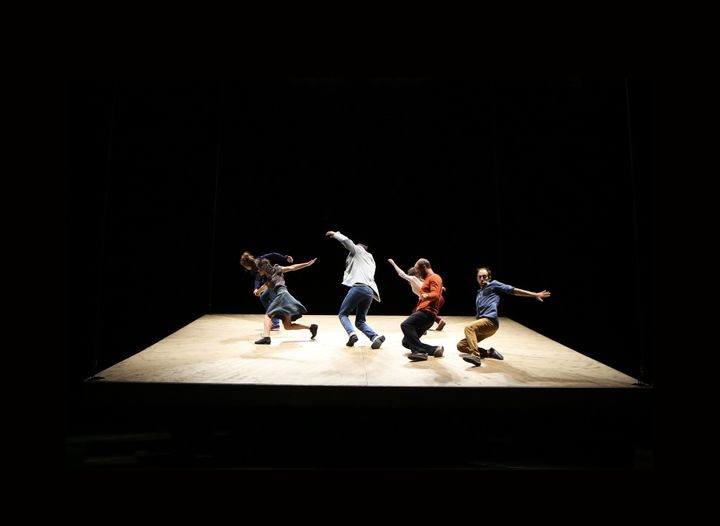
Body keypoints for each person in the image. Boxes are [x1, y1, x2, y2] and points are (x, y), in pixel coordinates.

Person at [457, 266, 551, 366]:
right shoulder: (479, 293)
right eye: (479, 277)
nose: (482, 279)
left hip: (490, 321)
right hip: (483, 325)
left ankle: (475, 356)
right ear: (476, 278)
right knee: (461, 346)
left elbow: (513, 290)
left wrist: (534, 294)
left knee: (469, 328)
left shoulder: (494, 285)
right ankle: (489, 352)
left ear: (489, 277)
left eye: (484, 276)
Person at [326, 230, 385, 349]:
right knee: (360, 321)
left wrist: (335, 234)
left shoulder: (358, 251)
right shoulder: (370, 260)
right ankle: (375, 337)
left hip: (359, 287)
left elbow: (347, 242)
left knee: (343, 314)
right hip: (369, 292)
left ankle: (352, 334)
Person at [253, 257, 319, 345]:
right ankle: (311, 327)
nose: (258, 271)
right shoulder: (268, 278)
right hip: (285, 298)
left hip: (282, 295)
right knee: (287, 326)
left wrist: (306, 264)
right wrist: (257, 292)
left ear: (262, 268)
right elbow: (263, 287)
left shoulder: (277, 269)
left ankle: (266, 337)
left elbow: (292, 267)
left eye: (258, 269)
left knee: (268, 316)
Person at [399, 258, 445, 361]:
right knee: (406, 342)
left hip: (427, 312)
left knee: (405, 325)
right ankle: (434, 349)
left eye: (418, 270)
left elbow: (436, 295)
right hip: (426, 314)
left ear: (424, 267)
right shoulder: (427, 280)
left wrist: (426, 295)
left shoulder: (435, 277)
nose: (417, 273)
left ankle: (420, 352)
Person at [240, 251, 293, 330]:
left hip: (274, 281)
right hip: (268, 284)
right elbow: (257, 278)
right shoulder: (254, 268)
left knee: (272, 301)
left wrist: (285, 257)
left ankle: (276, 323)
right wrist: (256, 288)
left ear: (247, 265)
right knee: (263, 297)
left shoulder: (260, 260)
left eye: (245, 267)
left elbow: (273, 254)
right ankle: (275, 317)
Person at [388, 258, 446, 331]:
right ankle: (438, 322)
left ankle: (421, 327)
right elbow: (432, 285)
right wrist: (441, 288)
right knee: (422, 312)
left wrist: (393, 264)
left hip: (432, 298)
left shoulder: (413, 279)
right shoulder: (423, 280)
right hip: (438, 298)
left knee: (417, 312)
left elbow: (401, 274)